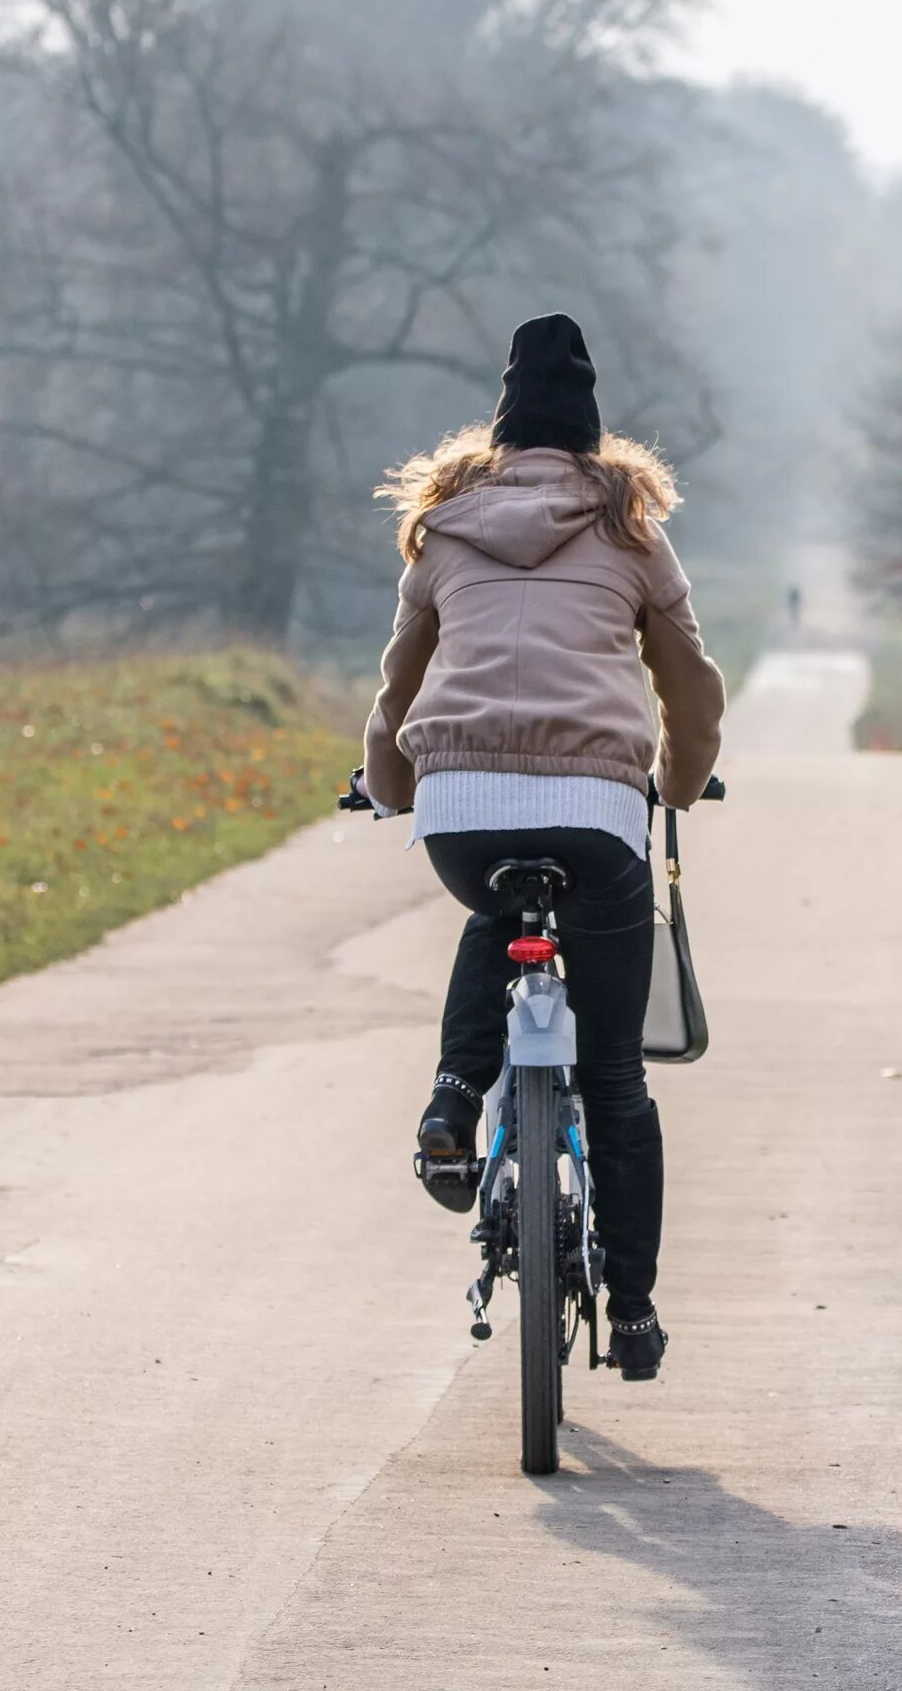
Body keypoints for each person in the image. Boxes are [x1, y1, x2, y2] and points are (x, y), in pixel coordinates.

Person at [356, 313, 724, 1382]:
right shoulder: (632, 531)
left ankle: (453, 1099)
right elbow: (689, 683)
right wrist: (684, 783)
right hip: (596, 808)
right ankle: (638, 1307)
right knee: (613, 1076)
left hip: (462, 805)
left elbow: (400, 687)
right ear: (594, 431)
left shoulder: (447, 525)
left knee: (494, 906)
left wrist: (390, 788)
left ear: (502, 425)